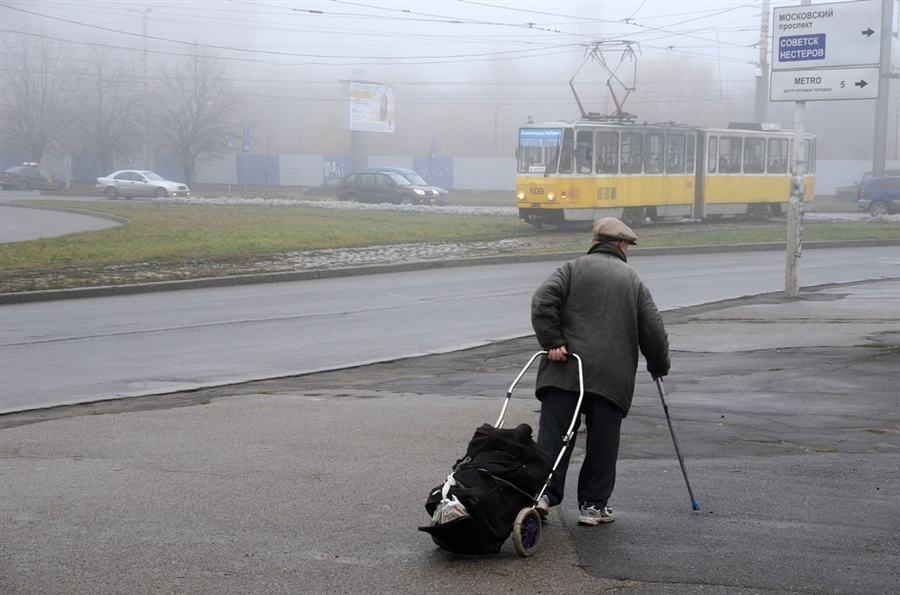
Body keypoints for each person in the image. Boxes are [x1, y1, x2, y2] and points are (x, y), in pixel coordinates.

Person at [531, 218, 670, 525]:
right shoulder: (633, 281)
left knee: (554, 436)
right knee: (603, 442)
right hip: (611, 377)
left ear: (594, 242)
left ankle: (541, 494)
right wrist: (658, 365)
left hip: (564, 370)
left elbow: (543, 300)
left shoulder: (571, 268)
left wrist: (554, 341)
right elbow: (653, 330)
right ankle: (593, 506)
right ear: (622, 246)